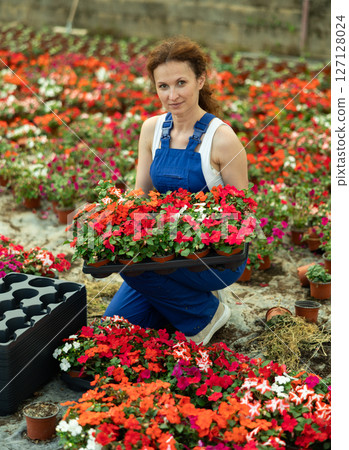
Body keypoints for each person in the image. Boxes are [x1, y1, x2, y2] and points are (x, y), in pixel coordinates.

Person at [105, 36, 249, 345]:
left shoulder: (222, 139)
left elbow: (241, 217)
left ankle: (206, 315)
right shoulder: (151, 130)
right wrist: (116, 226)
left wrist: (187, 232)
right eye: (163, 86)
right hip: (163, 251)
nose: (172, 95)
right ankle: (175, 303)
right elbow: (140, 196)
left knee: (133, 266)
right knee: (115, 329)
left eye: (181, 82)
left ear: (201, 79)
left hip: (213, 257)